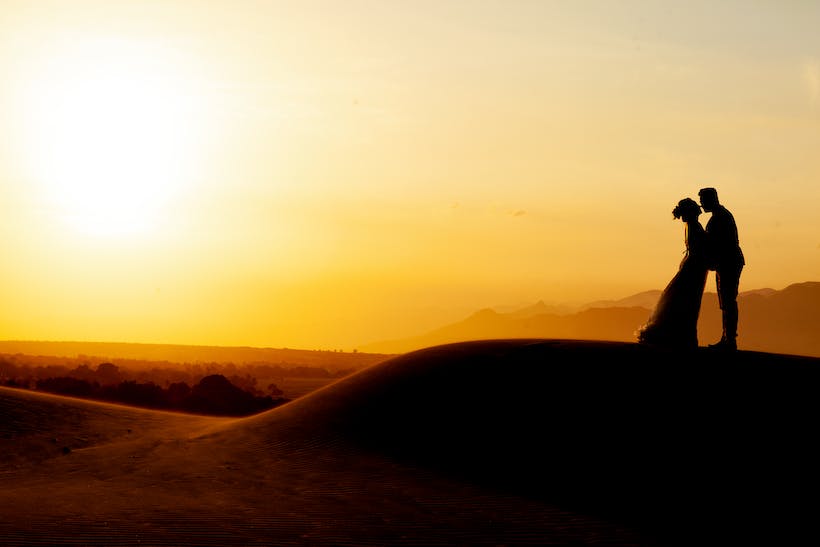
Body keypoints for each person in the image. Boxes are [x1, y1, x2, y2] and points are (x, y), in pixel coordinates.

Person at [637, 198, 710, 349]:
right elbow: (699, 248)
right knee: (688, 301)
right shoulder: (694, 226)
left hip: (691, 265)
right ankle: (683, 336)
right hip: (694, 268)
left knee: (681, 300)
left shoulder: (689, 225)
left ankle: (678, 335)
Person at [698, 187, 745, 351]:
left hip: (729, 263)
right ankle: (727, 337)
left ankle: (730, 339)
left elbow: (721, 244)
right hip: (727, 262)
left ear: (711, 199)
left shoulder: (721, 217)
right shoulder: (720, 216)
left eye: (703, 201)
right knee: (726, 300)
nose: (701, 205)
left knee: (728, 300)